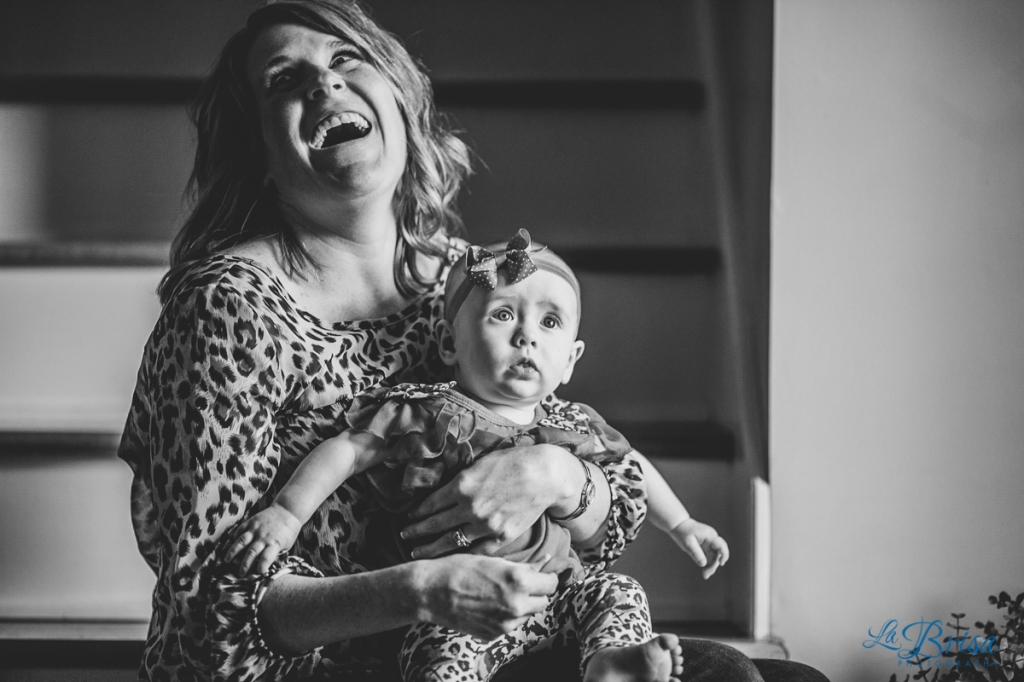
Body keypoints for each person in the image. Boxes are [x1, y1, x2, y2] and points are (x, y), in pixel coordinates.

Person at [117, 1, 830, 680]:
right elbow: (207, 619)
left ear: (398, 99)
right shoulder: (227, 308)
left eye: (346, 58)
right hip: (338, 665)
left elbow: (608, 521)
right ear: (257, 149)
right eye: (283, 79)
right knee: (731, 674)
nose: (325, 82)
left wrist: (556, 474)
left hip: (511, 629)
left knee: (790, 678)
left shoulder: (471, 281)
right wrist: (423, 590)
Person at [225, 231, 729, 680]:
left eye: (550, 321)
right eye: (503, 314)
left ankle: (611, 662)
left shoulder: (573, 424)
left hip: (557, 598)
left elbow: (634, 466)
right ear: (449, 344)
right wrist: (287, 513)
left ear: (571, 361)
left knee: (618, 591)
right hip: (458, 613)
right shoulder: (427, 413)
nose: (527, 335)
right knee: (438, 659)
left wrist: (682, 524)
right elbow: (347, 451)